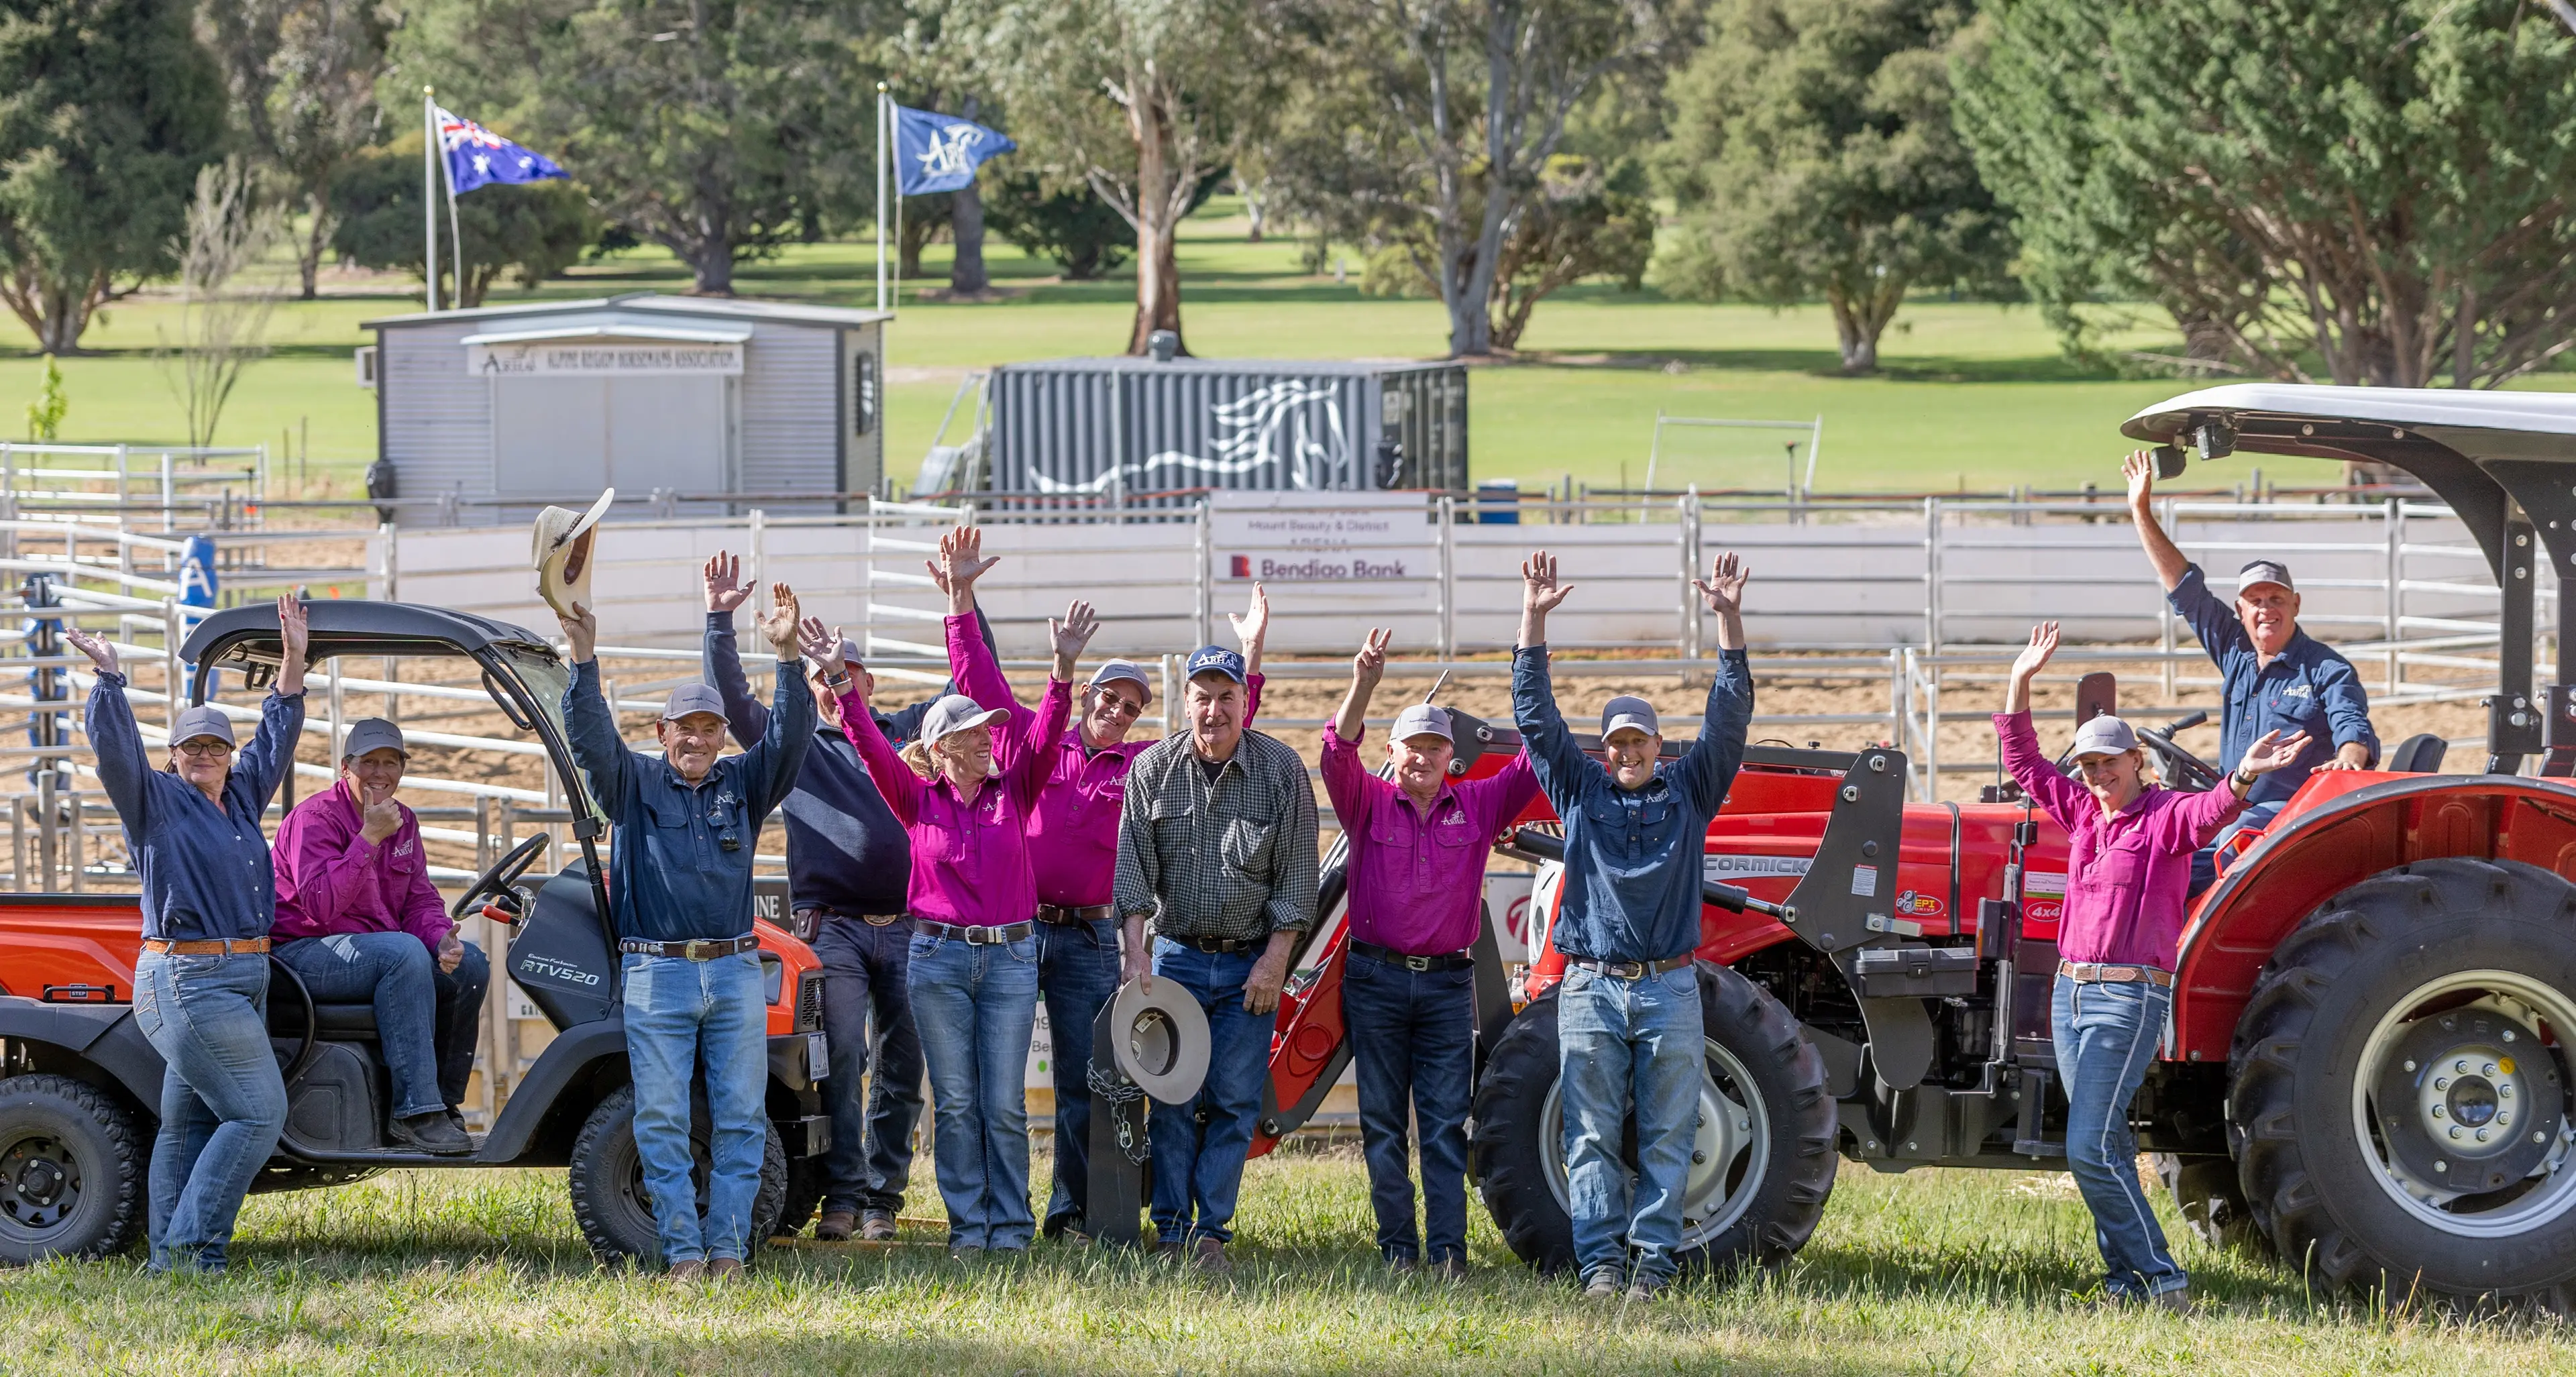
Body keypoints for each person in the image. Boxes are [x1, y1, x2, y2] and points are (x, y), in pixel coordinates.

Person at [934, 523, 1271, 1242]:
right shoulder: (1033, 738)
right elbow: (976, 682)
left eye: (1131, 706)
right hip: (1021, 933)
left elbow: (1223, 725)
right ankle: (996, 1214)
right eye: (1109, 698)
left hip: (1090, 936)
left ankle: (1071, 1212)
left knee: (1086, 1084)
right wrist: (961, 599)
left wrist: (1251, 658)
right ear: (1085, 693)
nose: (1118, 712)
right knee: (994, 1081)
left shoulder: (1148, 765)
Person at [1996, 620, 2307, 1310]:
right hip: (2070, 996)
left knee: (2087, 1149)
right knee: (2102, 1145)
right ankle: (2129, 1281)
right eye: (2089, 765)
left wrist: (2248, 772)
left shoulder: (2164, 818)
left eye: (2111, 762)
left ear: (2138, 760)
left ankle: (2161, 1279)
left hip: (2125, 1001)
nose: (2099, 775)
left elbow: (2214, 808)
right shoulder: (2083, 813)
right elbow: (2023, 760)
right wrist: (2021, 679)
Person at [698, 552, 998, 1244]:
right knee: (839, 1057)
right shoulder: (793, 743)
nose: (836, 681)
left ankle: (882, 1202)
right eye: (821, 673)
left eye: (847, 670)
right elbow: (737, 697)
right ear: (808, 685)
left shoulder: (903, 733)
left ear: (866, 678)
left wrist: (963, 598)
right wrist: (720, 618)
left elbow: (971, 681)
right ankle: (842, 1192)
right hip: (832, 929)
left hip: (914, 925)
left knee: (905, 1063)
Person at [1513, 549, 1754, 1302]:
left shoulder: (1691, 792)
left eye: (1637, 741)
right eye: (1614, 741)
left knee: (1668, 1132)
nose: (1624, 751)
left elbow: (1731, 715)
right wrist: (1534, 620)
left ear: (1659, 746)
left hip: (1669, 987)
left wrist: (1727, 620)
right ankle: (1600, 1266)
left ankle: (1652, 1264)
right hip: (1589, 986)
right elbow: (1534, 717)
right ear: (1603, 748)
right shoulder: (1580, 793)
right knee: (1588, 1131)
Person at [558, 589, 819, 1282]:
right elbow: (588, 737)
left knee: (739, 1120)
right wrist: (584, 654)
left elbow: (792, 739)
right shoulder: (632, 786)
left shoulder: (744, 785)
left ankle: (728, 1250)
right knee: (664, 1121)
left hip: (735, 971)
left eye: (710, 727)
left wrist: (789, 655)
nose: (698, 738)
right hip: (658, 974)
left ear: (724, 737)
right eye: (686, 727)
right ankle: (682, 1253)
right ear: (661, 730)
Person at [835, 563, 1091, 1257]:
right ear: (943, 747)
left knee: (1003, 1103)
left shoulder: (1018, 788)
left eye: (989, 732)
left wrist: (1062, 672)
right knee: (955, 1102)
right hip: (939, 956)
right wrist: (839, 686)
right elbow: (865, 742)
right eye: (975, 732)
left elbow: (1043, 731)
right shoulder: (917, 800)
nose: (989, 739)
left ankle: (1008, 1227)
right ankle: (968, 1227)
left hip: (1010, 956)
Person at [71, 595, 307, 1274]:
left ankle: (178, 1265)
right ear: (173, 756)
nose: (204, 754)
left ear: (229, 756)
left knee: (190, 1123)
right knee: (259, 1115)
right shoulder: (154, 802)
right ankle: (187, 1251)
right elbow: (116, 753)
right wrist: (110, 681)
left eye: (215, 745)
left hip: (242, 977)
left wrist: (293, 658)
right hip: (189, 980)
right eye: (191, 746)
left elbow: (279, 733)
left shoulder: (241, 798)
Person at [1323, 628, 1538, 1277]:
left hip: (1447, 989)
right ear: (1391, 753)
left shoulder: (1478, 804)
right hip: (1376, 982)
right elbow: (1336, 750)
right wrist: (1364, 681)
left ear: (1452, 755)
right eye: (1411, 747)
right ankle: (1398, 1251)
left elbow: (1535, 758)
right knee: (1383, 1128)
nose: (1421, 757)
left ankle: (1447, 1253)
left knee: (1444, 1126)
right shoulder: (1366, 802)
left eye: (1433, 746)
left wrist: (1530, 661)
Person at [1112, 641, 1318, 1274]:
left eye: (1226, 697)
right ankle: (1170, 1229)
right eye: (1202, 698)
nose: (1214, 710)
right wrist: (1135, 953)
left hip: (1248, 962)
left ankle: (1211, 1235)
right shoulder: (1151, 770)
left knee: (1232, 1101)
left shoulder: (1283, 772)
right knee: (1171, 1098)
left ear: (1245, 700)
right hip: (1173, 959)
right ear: (1187, 702)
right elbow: (1132, 873)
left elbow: (1297, 879)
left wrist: (1275, 959)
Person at [2123, 451, 2378, 891]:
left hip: (2287, 818)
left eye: (2276, 599)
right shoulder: (2236, 653)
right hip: (2230, 805)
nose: (2266, 610)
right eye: (2256, 601)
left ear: (2295, 605)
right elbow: (2185, 589)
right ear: (2240, 611)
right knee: (2154, 842)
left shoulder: (2325, 668)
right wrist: (2140, 511)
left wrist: (2349, 758)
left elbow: (2351, 724)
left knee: (2212, 851)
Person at [272, 717, 490, 1154]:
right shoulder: (314, 819)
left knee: (470, 965)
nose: (380, 772)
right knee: (401, 953)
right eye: (368, 761)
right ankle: (415, 1112)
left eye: (391, 762)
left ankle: (443, 1104)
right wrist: (369, 837)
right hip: (300, 954)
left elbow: (419, 899)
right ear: (345, 767)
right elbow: (319, 906)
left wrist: (440, 938)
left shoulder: (404, 822)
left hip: (375, 950)